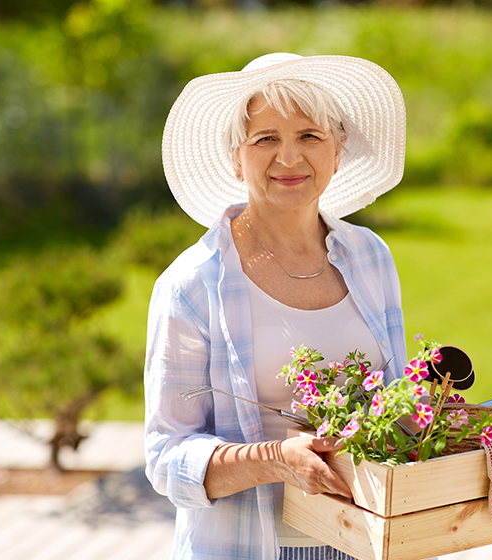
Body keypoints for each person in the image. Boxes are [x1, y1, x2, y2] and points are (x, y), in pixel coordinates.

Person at [144, 53, 408, 560]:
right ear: (236, 157)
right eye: (266, 139)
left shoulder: (370, 256)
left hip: (362, 544)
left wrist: (489, 437)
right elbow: (166, 458)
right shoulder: (193, 284)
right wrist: (273, 460)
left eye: (310, 136)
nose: (289, 159)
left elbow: (394, 406)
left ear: (339, 150)